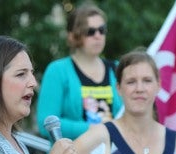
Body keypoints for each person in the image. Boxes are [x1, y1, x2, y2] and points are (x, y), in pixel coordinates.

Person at [37, 2, 123, 141]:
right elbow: (44, 123)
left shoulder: (118, 68)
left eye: (102, 30)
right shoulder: (57, 71)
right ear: (73, 36)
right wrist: (95, 129)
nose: (98, 35)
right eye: (90, 31)